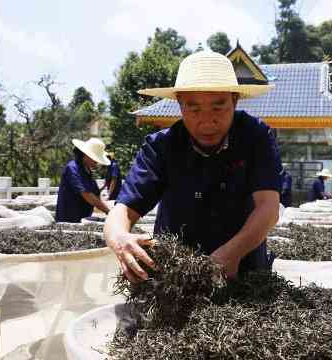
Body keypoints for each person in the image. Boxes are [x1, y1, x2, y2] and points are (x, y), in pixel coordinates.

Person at [104, 50, 282, 282]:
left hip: (243, 269)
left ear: (234, 100)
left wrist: (232, 253)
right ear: (179, 104)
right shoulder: (161, 147)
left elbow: (268, 208)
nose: (207, 120)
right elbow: (122, 211)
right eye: (194, 108)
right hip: (176, 275)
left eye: (218, 107)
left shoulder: (256, 137)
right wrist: (119, 237)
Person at [56, 138, 111, 223]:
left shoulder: (88, 171)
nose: (97, 162)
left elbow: (95, 195)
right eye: (95, 158)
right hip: (68, 220)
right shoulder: (72, 168)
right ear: (85, 155)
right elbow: (87, 195)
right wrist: (108, 211)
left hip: (83, 218)